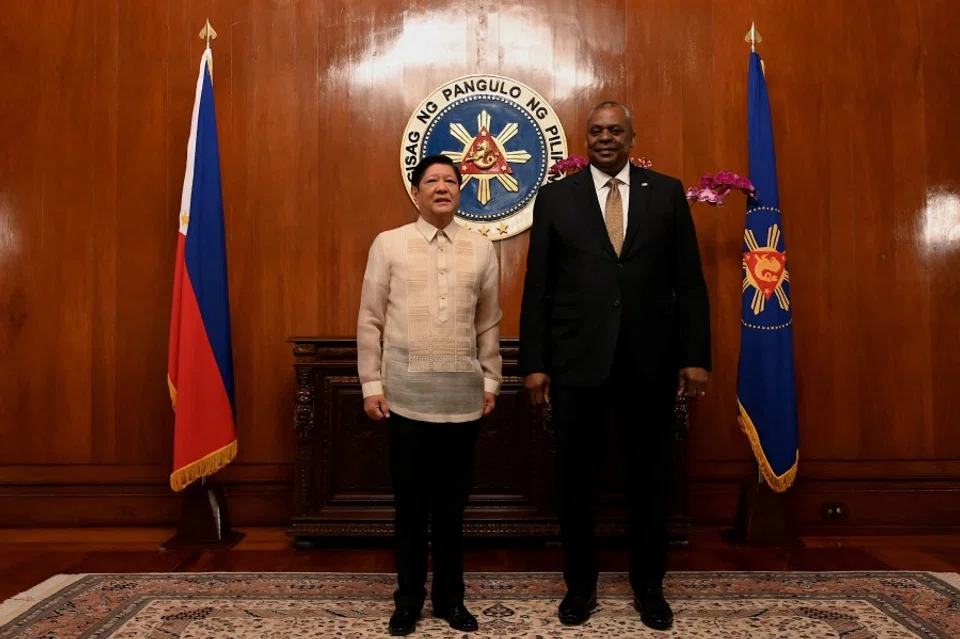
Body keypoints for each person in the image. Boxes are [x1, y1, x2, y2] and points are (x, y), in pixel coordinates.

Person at [518, 101, 711, 631]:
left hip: (649, 364)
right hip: (578, 364)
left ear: (631, 136)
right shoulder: (557, 197)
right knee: (575, 481)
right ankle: (579, 588)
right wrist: (535, 363)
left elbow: (690, 283)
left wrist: (695, 357)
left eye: (615, 130)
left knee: (650, 482)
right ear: (586, 138)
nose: (605, 138)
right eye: (596, 131)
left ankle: (649, 588)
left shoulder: (666, 193)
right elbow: (539, 288)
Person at [357, 154, 503, 636]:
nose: (442, 187)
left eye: (450, 181)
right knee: (411, 508)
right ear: (416, 192)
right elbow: (370, 319)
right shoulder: (389, 244)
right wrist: (371, 384)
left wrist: (491, 381)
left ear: (460, 191)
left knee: (451, 510)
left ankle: (449, 601)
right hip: (404, 397)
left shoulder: (482, 249)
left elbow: (489, 323)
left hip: (462, 400)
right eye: (432, 181)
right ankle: (408, 602)